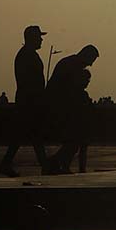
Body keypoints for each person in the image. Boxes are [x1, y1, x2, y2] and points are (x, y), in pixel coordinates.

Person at [0, 25, 50, 177]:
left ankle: (43, 165)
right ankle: (44, 165)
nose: (41, 40)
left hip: (28, 101)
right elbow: (30, 82)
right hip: (29, 101)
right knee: (30, 135)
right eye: (39, 37)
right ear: (32, 38)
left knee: (28, 135)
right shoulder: (27, 56)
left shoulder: (27, 54)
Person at [45, 44, 99, 173]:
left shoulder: (70, 63)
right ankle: (56, 163)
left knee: (73, 141)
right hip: (59, 106)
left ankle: (59, 164)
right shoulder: (73, 66)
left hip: (61, 105)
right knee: (73, 141)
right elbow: (69, 91)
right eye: (91, 61)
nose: (90, 65)